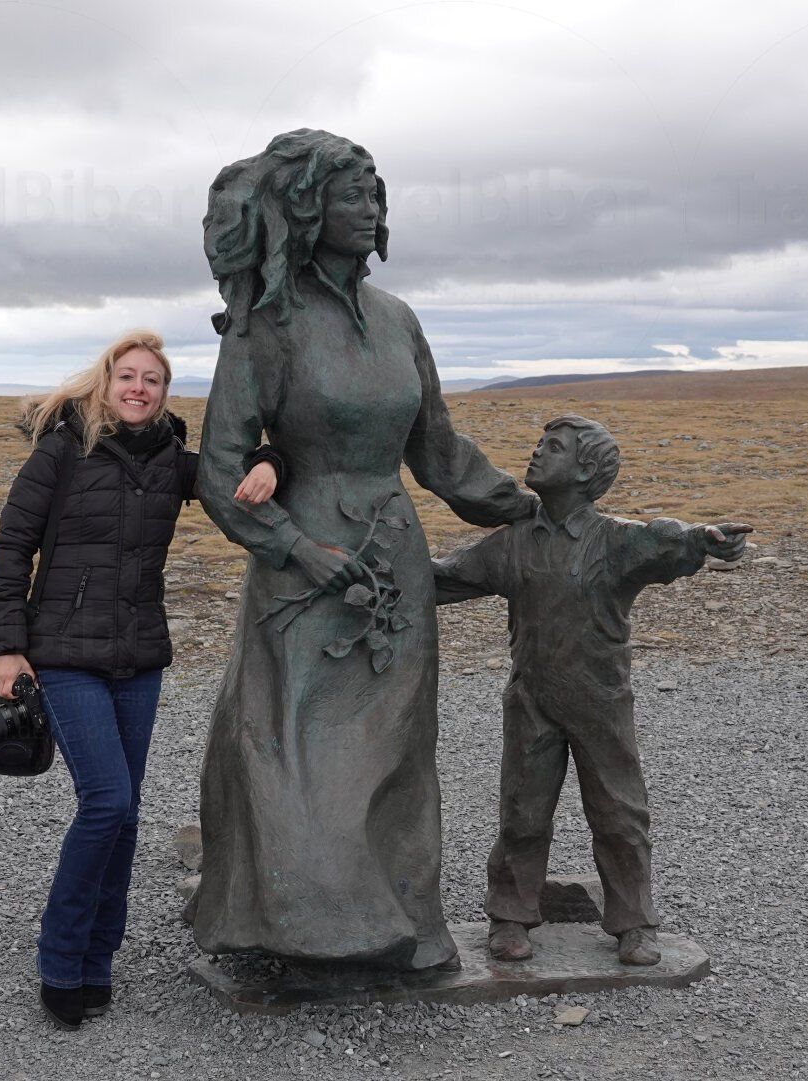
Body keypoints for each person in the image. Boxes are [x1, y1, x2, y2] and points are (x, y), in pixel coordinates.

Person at [190, 129, 538, 971]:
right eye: (353, 193)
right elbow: (220, 470)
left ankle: (402, 925)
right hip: (303, 569)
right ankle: (291, 925)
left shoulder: (398, 320)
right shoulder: (265, 325)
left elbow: (438, 450)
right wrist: (294, 547)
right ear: (309, 210)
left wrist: (523, 503)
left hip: (393, 560)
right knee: (297, 743)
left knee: (396, 746)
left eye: (376, 193)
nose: (372, 207)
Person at [0, 328, 280, 1030]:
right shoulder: (63, 450)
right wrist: (7, 649)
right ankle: (60, 959)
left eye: (152, 379)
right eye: (128, 376)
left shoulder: (173, 463)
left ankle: (98, 960)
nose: (139, 388)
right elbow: (12, 546)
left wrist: (272, 459)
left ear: (165, 392)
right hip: (63, 655)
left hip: (138, 658)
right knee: (106, 802)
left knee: (125, 816)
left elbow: (239, 476)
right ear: (106, 382)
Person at [431, 415, 750, 966]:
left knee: (619, 813)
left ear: (585, 470)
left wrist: (705, 539)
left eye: (552, 447)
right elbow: (443, 576)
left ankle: (634, 922)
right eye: (540, 443)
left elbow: (667, 540)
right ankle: (510, 915)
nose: (536, 452)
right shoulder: (512, 544)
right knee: (522, 812)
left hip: (601, 703)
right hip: (531, 700)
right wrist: (377, 564)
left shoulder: (616, 541)